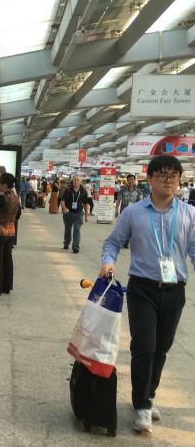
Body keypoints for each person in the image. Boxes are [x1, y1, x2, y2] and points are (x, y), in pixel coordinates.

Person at [100, 155, 195, 435]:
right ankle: (141, 404)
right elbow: (113, 242)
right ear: (150, 179)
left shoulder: (189, 214)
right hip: (142, 288)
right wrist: (108, 262)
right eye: (162, 175)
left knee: (162, 348)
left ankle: (149, 395)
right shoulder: (133, 212)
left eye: (174, 176)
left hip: (175, 290)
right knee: (144, 346)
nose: (169, 180)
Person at [61, 176, 89, 253]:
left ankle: (75, 246)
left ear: (80, 182)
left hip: (79, 213)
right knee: (68, 230)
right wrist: (64, 208)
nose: (76, 181)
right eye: (74, 180)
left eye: (77, 180)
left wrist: (86, 215)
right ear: (72, 181)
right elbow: (62, 200)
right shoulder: (68, 190)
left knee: (77, 229)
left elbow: (86, 203)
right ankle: (66, 242)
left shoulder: (83, 191)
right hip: (68, 213)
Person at [115, 174, 143, 248]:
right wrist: (116, 210)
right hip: (124, 210)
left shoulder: (138, 191)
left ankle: (126, 242)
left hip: (133, 211)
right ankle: (122, 240)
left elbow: (139, 202)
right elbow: (118, 200)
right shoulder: (122, 190)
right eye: (129, 180)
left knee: (130, 227)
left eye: (132, 180)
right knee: (123, 226)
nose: (131, 181)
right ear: (127, 181)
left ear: (134, 181)